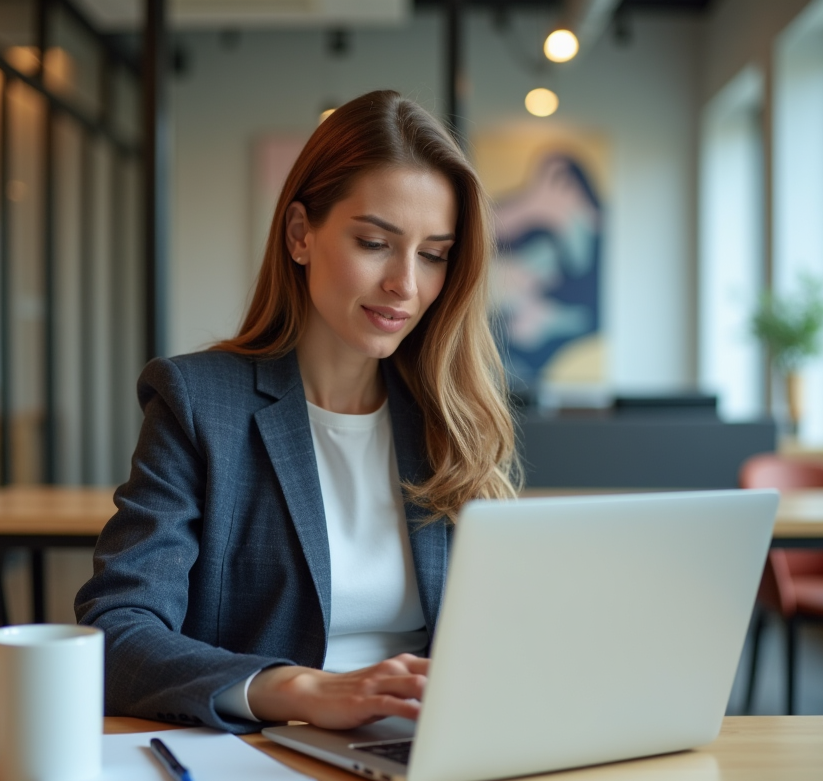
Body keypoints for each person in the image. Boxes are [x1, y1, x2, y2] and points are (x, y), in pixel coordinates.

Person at [75, 89, 520, 735]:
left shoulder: (456, 420)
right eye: (375, 242)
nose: (406, 283)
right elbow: (117, 633)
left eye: (434, 254)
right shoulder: (198, 403)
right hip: (269, 748)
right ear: (300, 234)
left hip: (435, 750)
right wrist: (302, 691)